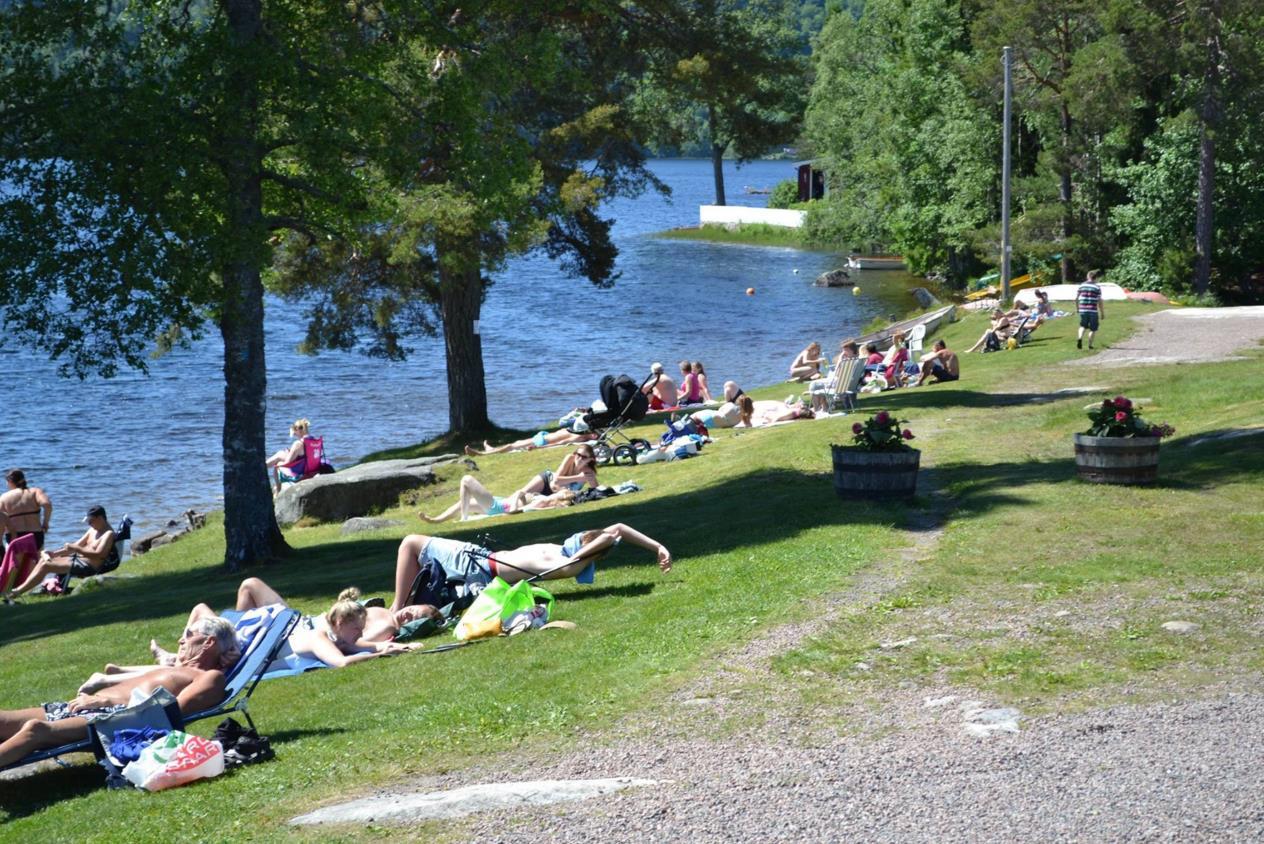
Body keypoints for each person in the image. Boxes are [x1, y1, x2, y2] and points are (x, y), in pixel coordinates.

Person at [0, 615, 238, 768]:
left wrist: (105, 703)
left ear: (208, 643)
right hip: (83, 707)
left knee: (35, 730)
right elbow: (200, 609)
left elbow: (169, 713)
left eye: (188, 635)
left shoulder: (210, 678)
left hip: (110, 720)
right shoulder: (176, 668)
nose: (180, 640)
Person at [389, 524, 673, 613]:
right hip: (481, 560)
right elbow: (619, 528)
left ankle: (395, 609)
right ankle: (400, 608)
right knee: (414, 554)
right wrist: (659, 546)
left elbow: (610, 535)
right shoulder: (567, 553)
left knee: (410, 543)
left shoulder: (566, 564)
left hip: (478, 566)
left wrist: (605, 540)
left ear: (588, 548)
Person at [4, 505, 118, 600]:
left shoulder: (108, 534)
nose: (89, 524)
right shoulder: (93, 530)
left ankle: (17, 592)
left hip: (89, 566)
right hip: (78, 560)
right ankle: (21, 589)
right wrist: (54, 553)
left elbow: (99, 554)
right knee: (45, 560)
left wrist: (76, 549)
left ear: (100, 518)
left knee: (46, 566)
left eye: (91, 521)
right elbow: (76, 546)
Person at [1, 469, 53, 551]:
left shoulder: (4, 497)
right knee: (36, 562)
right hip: (35, 535)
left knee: (15, 563)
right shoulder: (35, 491)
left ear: (10, 481)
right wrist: (45, 523)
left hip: (15, 537)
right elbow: (47, 505)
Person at [464, 426, 597, 456]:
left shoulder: (578, 437)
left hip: (541, 442)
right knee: (516, 442)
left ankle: (481, 454)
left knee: (512, 446)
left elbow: (558, 443)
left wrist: (538, 448)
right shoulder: (577, 431)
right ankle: (491, 450)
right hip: (541, 436)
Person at [266, 418, 311, 493]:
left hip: (299, 471)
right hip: (306, 466)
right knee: (280, 453)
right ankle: (264, 465)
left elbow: (287, 462)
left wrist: (278, 465)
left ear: (298, 430)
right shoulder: (311, 439)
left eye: (294, 431)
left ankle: (278, 491)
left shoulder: (298, 443)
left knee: (277, 462)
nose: (294, 433)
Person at [1076, 269, 1105, 349]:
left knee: (1082, 326)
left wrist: (1077, 308)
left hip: (1083, 309)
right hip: (1092, 310)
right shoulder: (1097, 287)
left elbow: (1076, 298)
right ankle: (1090, 345)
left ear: (1088, 276)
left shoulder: (1081, 286)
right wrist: (1102, 313)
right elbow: (1100, 301)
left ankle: (1080, 338)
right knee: (1093, 329)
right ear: (1095, 278)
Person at [737, 399, 815, 428]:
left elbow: (775, 419)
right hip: (775, 414)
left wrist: (767, 418)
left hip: (771, 415)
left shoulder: (792, 412)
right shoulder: (793, 412)